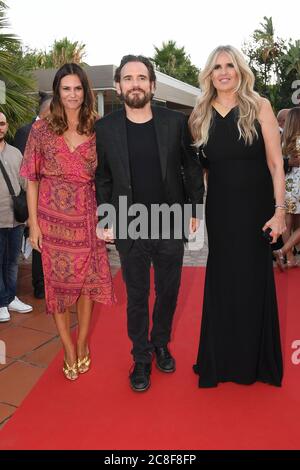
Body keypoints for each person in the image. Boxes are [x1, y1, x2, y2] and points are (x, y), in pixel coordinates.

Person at [95, 55, 204, 392]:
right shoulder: (106, 127)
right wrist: (105, 216)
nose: (135, 84)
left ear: (152, 85)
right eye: (128, 78)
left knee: (169, 292)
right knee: (138, 295)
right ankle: (141, 357)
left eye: (142, 77)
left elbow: (191, 165)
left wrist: (193, 210)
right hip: (130, 224)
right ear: (118, 86)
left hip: (169, 220)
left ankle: (160, 343)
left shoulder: (174, 122)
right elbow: (104, 178)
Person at [189, 45, 286, 388]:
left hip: (257, 209)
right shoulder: (199, 113)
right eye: (217, 66)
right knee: (223, 280)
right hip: (221, 210)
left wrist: (280, 212)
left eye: (230, 65)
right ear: (209, 74)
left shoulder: (259, 106)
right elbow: (201, 171)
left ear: (240, 70)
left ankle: (254, 362)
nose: (224, 72)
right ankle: (221, 359)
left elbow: (276, 165)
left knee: (253, 280)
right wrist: (194, 210)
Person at [20, 63, 116, 380]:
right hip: (52, 219)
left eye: (78, 88)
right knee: (58, 288)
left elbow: (108, 178)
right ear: (58, 92)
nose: (73, 95)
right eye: (66, 89)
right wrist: (34, 224)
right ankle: (68, 347)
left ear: (85, 92)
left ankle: (84, 342)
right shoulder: (41, 131)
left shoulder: (99, 128)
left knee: (87, 288)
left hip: (88, 218)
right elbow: (32, 179)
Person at [14, 94, 52, 299]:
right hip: (30, 197)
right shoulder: (25, 132)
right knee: (37, 243)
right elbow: (22, 171)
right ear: (46, 111)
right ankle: (40, 286)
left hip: (50, 197)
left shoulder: (55, 131)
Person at [0, 112, 32, 323]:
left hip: (16, 219)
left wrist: (31, 215)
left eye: (1, 123)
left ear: (7, 125)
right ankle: (2, 302)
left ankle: (10, 298)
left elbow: (27, 185)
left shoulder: (15, 153)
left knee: (12, 262)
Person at [274, 107, 300, 269]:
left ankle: (289, 257)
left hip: (286, 183)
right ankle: (284, 251)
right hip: (298, 184)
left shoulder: (282, 139)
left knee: (286, 224)